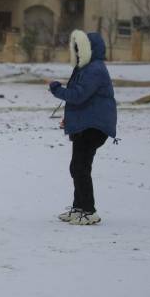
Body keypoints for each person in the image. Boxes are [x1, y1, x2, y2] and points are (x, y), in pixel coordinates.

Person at [49, 30, 117, 226]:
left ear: (90, 49)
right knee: (77, 167)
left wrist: (56, 89)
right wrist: (70, 121)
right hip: (85, 124)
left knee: (80, 167)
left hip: (94, 126)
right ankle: (79, 207)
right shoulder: (84, 68)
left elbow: (78, 95)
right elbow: (82, 101)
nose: (77, 53)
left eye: (80, 49)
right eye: (75, 49)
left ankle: (89, 211)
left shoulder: (95, 69)